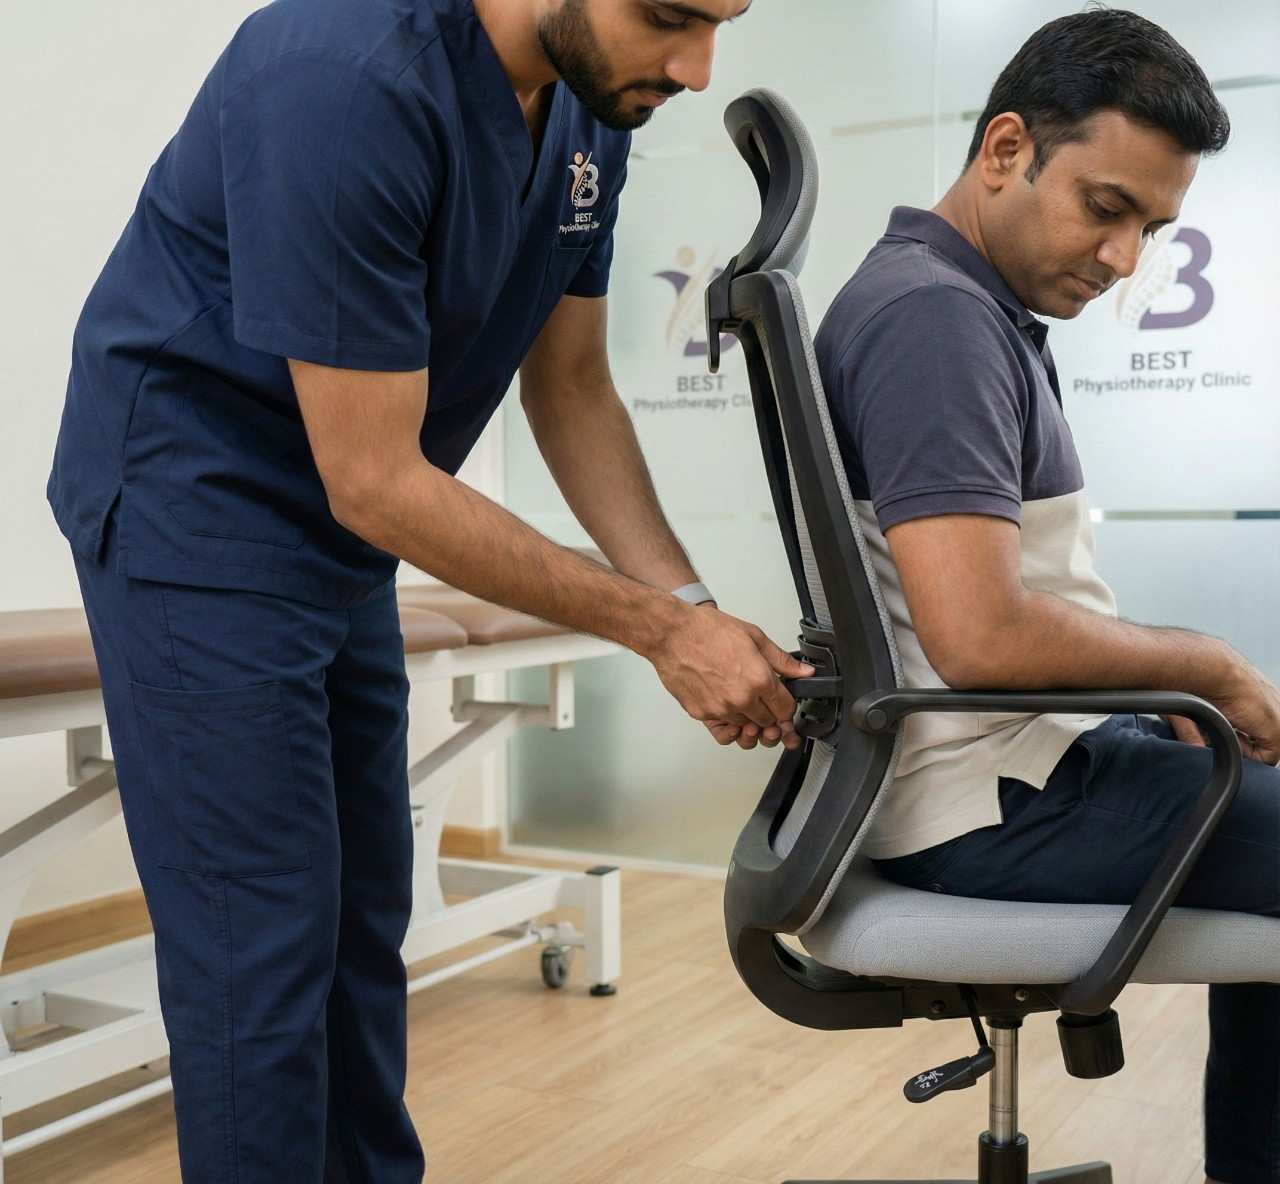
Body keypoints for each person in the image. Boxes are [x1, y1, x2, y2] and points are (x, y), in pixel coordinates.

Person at [45, 0, 809, 1179]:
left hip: (342, 518)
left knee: (359, 923)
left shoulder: (594, 103)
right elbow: (372, 477)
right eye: (670, 17)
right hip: (192, 502)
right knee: (262, 943)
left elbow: (571, 389)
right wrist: (657, 630)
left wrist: (691, 607)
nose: (697, 70)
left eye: (720, 23)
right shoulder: (342, 74)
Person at [813, 11, 1278, 1184]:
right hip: (1000, 802)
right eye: (1104, 207)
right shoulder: (935, 317)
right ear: (1005, 148)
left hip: (1020, 762)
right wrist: (1206, 669)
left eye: (1150, 227)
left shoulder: (956, 298)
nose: (1124, 259)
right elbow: (976, 635)